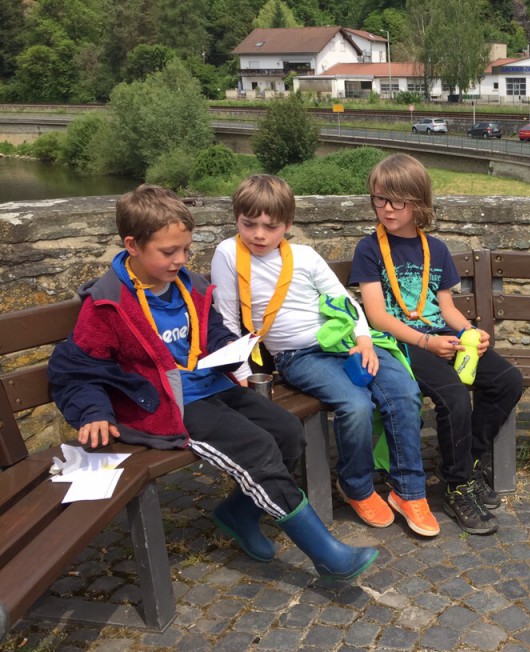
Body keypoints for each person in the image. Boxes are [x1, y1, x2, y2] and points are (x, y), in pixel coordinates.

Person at [48, 184, 377, 582]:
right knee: (256, 446)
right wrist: (92, 411)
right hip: (167, 405)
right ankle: (326, 555)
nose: (180, 260)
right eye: (169, 252)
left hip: (213, 385)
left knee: (288, 431)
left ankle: (238, 513)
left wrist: (231, 350)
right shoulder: (108, 303)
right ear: (132, 245)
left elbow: (214, 331)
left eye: (186, 250)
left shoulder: (188, 284)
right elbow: (75, 369)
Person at [211, 174, 440, 538]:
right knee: (356, 405)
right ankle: (356, 485)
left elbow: (344, 300)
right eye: (248, 224)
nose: (259, 235)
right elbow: (225, 319)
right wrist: (239, 374)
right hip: (299, 356)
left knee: (404, 392)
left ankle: (409, 491)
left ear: (288, 224)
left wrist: (364, 339)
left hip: (345, 342)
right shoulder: (228, 253)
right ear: (236, 219)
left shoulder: (303, 255)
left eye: (271, 227)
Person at [351, 154, 524, 535]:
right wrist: (427, 343)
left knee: (507, 380)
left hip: (440, 335)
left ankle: (469, 461)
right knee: (454, 396)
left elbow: (446, 308)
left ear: (418, 202)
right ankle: (457, 486)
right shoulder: (369, 248)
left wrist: (469, 332)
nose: (387, 209)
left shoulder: (436, 248)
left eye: (398, 201)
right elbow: (377, 315)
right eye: (380, 199)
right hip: (402, 343)